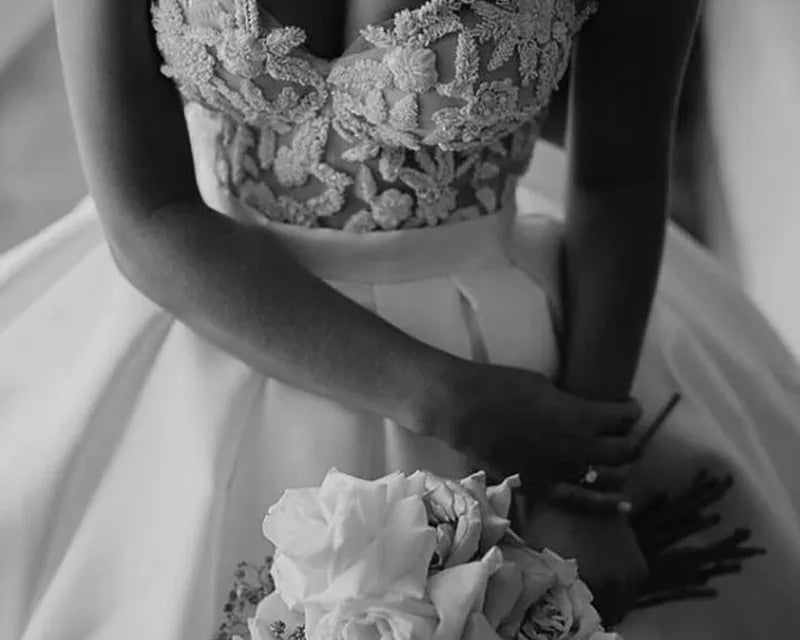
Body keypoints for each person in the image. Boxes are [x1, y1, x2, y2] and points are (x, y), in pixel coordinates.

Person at [1, 0, 798, 638]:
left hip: (523, 341)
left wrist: (586, 484)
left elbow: (620, 177)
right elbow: (147, 215)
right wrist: (447, 399)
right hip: (213, 298)